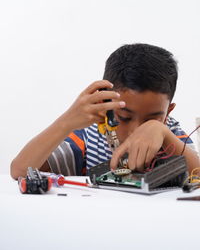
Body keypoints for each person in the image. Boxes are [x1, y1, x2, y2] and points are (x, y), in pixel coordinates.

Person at [10, 43, 200, 179]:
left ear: (168, 113)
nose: (135, 130)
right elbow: (19, 171)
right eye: (124, 117)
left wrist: (162, 132)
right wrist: (67, 122)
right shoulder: (89, 139)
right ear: (105, 103)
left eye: (151, 120)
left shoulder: (170, 135)